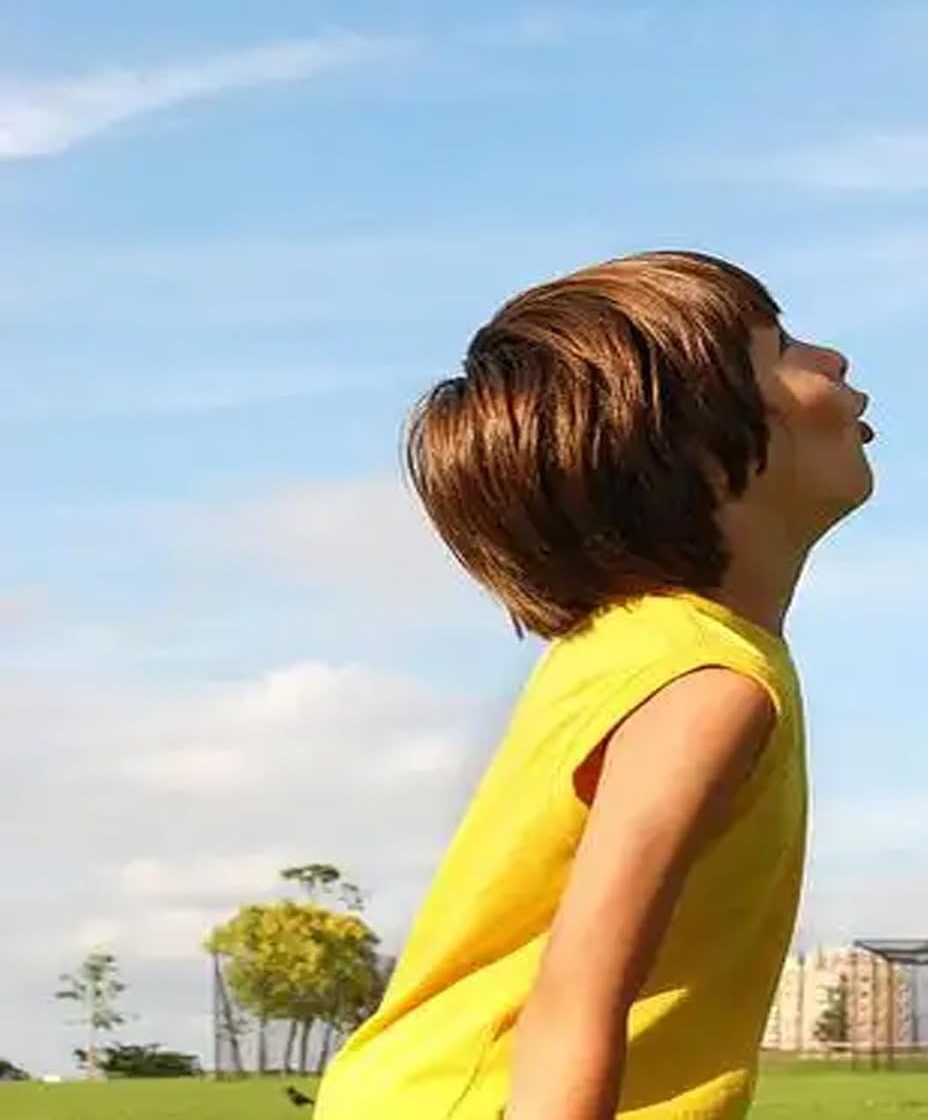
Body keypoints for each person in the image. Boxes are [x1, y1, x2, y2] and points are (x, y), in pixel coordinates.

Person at [314, 250, 875, 1120]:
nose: (832, 360)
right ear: (689, 447)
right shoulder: (704, 683)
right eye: (782, 348)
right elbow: (575, 997)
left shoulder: (641, 647)